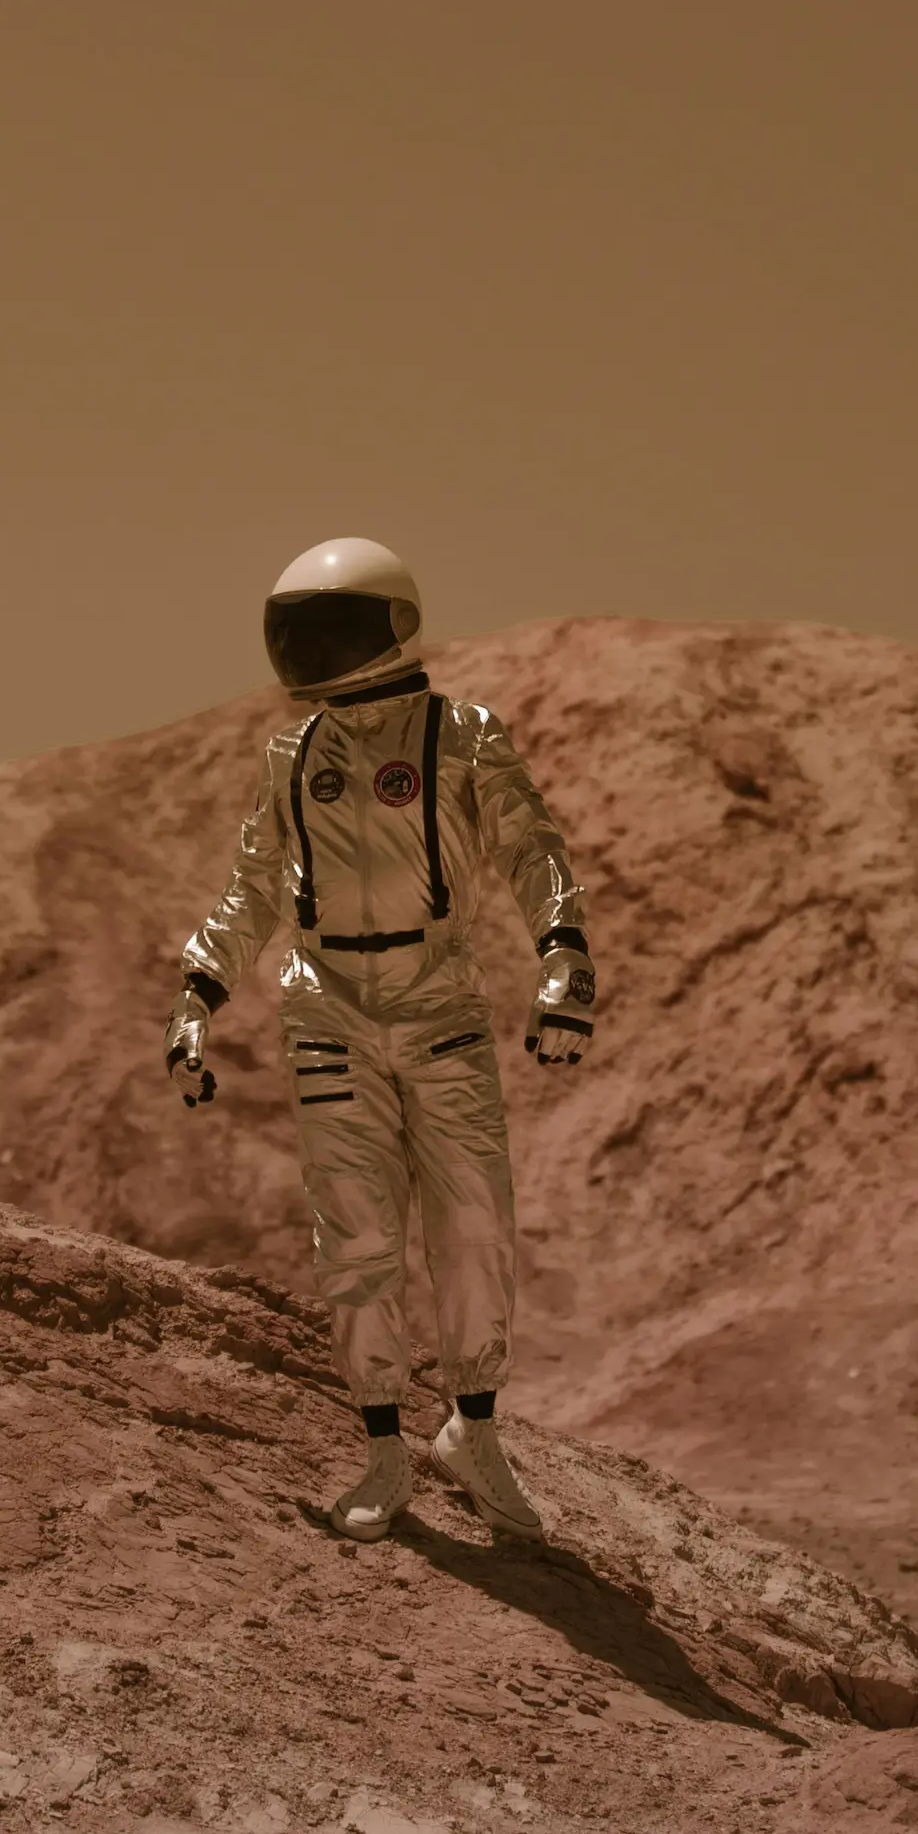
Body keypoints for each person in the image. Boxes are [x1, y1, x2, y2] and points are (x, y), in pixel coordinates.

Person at [168, 538, 596, 1544]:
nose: (309, 649)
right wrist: (197, 992)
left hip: (435, 999)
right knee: (355, 1240)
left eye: (332, 628)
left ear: (392, 626)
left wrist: (562, 948)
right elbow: (252, 888)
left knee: (472, 1223)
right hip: (326, 1009)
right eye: (298, 631)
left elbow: (530, 845)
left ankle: (471, 1427)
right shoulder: (294, 758)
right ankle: (381, 1449)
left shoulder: (459, 737)